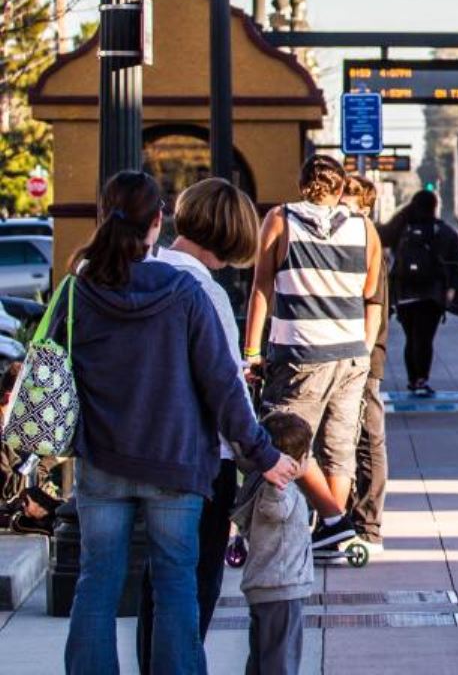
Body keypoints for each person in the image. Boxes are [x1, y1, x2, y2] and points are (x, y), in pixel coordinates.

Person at [61, 170, 298, 675]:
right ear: (158, 221)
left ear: (104, 216)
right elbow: (222, 386)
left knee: (96, 581)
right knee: (176, 586)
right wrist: (264, 454)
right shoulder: (186, 291)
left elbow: (57, 367)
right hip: (176, 463)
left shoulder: (78, 287)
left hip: (101, 460)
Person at [136, 178, 263, 670]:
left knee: (155, 582)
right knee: (195, 581)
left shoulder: (146, 269)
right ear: (232, 233)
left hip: (142, 448)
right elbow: (223, 384)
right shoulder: (203, 291)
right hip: (202, 458)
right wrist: (257, 451)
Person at [242, 154, 381, 557]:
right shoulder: (364, 228)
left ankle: (333, 524)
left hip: (299, 352)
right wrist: (364, 348)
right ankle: (329, 534)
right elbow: (370, 295)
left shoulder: (280, 220)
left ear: (303, 185)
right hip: (353, 354)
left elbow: (261, 289)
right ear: (340, 189)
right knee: (338, 449)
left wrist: (251, 352)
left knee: (285, 439)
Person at [232, 410, 315, 675]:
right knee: (280, 661)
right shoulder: (279, 489)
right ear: (294, 461)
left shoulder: (258, 484)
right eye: (308, 455)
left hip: (264, 587)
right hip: (282, 587)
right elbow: (275, 508)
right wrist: (276, 483)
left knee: (262, 658)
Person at [380, 191, 458, 398]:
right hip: (432, 295)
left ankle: (412, 379)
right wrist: (452, 288)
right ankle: (421, 379)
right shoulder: (443, 231)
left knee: (411, 338)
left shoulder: (402, 227)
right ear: (434, 206)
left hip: (403, 294)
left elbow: (380, 237)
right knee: (425, 339)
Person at [343, 175, 388, 554]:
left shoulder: (366, 236)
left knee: (368, 438)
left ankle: (368, 526)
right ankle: (344, 519)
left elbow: (373, 303)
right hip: (344, 354)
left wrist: (363, 354)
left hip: (364, 358)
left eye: (350, 198)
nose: (342, 203)